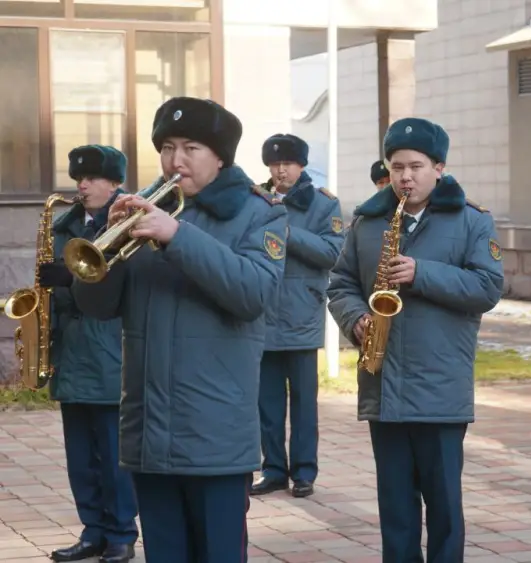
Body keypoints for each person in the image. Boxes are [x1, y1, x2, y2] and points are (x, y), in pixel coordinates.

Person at [70, 97, 288, 563]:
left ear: (221, 156)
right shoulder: (143, 210)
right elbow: (98, 307)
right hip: (149, 430)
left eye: (192, 147)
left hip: (215, 434)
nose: (176, 160)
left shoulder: (260, 213)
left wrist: (176, 236)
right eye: (167, 147)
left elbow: (253, 295)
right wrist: (104, 256)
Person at [327, 117, 504, 563]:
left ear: (439, 168)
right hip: (382, 386)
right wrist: (355, 320)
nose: (405, 177)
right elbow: (340, 284)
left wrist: (421, 273)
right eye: (397, 166)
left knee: (444, 509)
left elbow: (487, 288)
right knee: (397, 512)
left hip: (440, 388)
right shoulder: (368, 221)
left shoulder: (472, 222)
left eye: (417, 166)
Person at [37, 145, 139, 563]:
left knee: (113, 458)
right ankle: (92, 530)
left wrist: (71, 281)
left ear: (115, 183)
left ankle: (120, 534)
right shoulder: (65, 224)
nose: (83, 185)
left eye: (93, 178)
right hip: (72, 353)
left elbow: (127, 281)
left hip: (109, 351)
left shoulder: (129, 221)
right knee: (80, 459)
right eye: (79, 177)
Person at [251, 133, 344, 498]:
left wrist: (286, 233)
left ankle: (304, 472)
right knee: (267, 401)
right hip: (262, 311)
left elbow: (333, 253)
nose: (280, 170)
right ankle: (273, 468)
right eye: (274, 164)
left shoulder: (323, 204)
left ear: (301, 165)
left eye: (287, 164)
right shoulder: (256, 199)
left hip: (302, 314)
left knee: (304, 401)